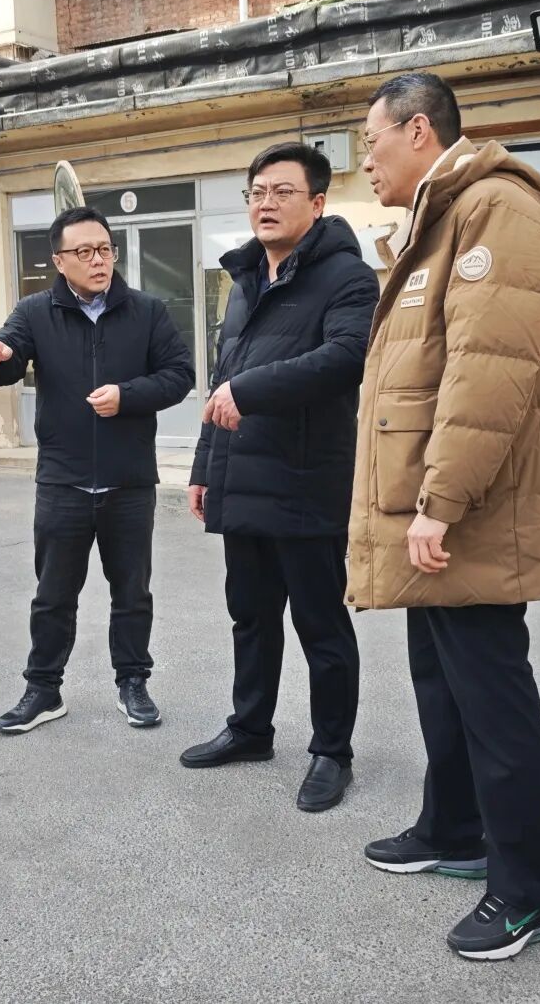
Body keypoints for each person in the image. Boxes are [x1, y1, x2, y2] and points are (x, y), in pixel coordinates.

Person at [347, 73, 540, 960]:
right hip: (438, 511)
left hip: (470, 514)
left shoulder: (493, 210)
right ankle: (453, 827)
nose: (365, 160)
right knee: (441, 681)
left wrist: (441, 502)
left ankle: (530, 890)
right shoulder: (441, 216)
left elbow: (489, 372)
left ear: (418, 130)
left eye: (371, 142)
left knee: (492, 698)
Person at [181, 142, 379, 814]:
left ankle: (332, 752)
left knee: (321, 626)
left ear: (317, 204)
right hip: (242, 477)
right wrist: (204, 468)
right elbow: (223, 380)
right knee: (251, 617)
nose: (265, 203)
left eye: (282, 192)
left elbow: (347, 357)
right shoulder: (244, 280)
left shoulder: (347, 277)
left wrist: (251, 390)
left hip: (305, 480)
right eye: (257, 192)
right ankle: (250, 728)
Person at [0, 205, 195, 734]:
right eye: (85, 252)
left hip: (129, 479)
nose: (98, 260)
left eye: (104, 249)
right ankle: (43, 690)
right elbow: (8, 357)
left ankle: (133, 682)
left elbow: (180, 374)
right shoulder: (35, 311)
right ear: (59, 260)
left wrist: (128, 396)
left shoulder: (146, 311)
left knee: (132, 592)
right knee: (53, 595)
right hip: (63, 479)